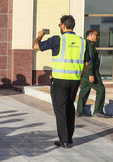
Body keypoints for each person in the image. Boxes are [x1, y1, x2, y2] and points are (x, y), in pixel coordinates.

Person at [34, 15, 89, 148]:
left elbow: (36, 46)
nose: (59, 27)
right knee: (70, 108)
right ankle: (69, 138)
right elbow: (86, 63)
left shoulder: (58, 39)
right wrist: (80, 77)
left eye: (59, 25)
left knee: (60, 110)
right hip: (74, 80)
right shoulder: (82, 41)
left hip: (59, 81)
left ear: (63, 26)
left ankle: (63, 140)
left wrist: (40, 35)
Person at [77, 29, 108, 118]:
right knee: (101, 89)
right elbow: (89, 60)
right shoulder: (89, 46)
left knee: (84, 91)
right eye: (96, 35)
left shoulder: (84, 44)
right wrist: (91, 74)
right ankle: (98, 111)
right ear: (91, 35)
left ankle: (80, 111)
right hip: (91, 71)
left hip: (85, 71)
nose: (97, 37)